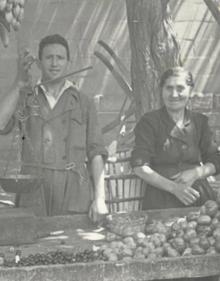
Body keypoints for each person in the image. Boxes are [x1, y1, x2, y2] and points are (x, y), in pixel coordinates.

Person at [0, 34, 108, 222]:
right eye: (49, 57)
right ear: (40, 62)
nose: (55, 63)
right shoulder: (26, 97)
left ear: (68, 62)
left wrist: (100, 198)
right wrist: (18, 83)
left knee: (73, 246)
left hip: (74, 191)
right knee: (33, 247)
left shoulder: (84, 102)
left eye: (60, 58)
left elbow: (96, 153)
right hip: (34, 190)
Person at [131, 67, 220, 281]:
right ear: (161, 91)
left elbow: (215, 159)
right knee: (163, 262)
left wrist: (197, 171)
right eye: (168, 88)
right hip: (161, 202)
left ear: (190, 90)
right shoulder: (150, 122)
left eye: (180, 88)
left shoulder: (199, 121)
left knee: (205, 259)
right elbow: (138, 165)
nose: (174, 94)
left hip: (200, 204)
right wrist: (174, 188)